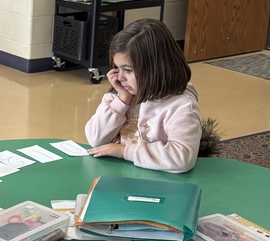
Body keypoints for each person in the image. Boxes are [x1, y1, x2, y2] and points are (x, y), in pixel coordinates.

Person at [84, 19, 202, 173]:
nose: (119, 77)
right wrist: (122, 101)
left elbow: (182, 158)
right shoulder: (120, 95)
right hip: (122, 177)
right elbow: (95, 139)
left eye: (128, 69)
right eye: (117, 68)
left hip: (158, 185)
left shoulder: (181, 107)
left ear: (156, 68)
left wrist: (124, 151)